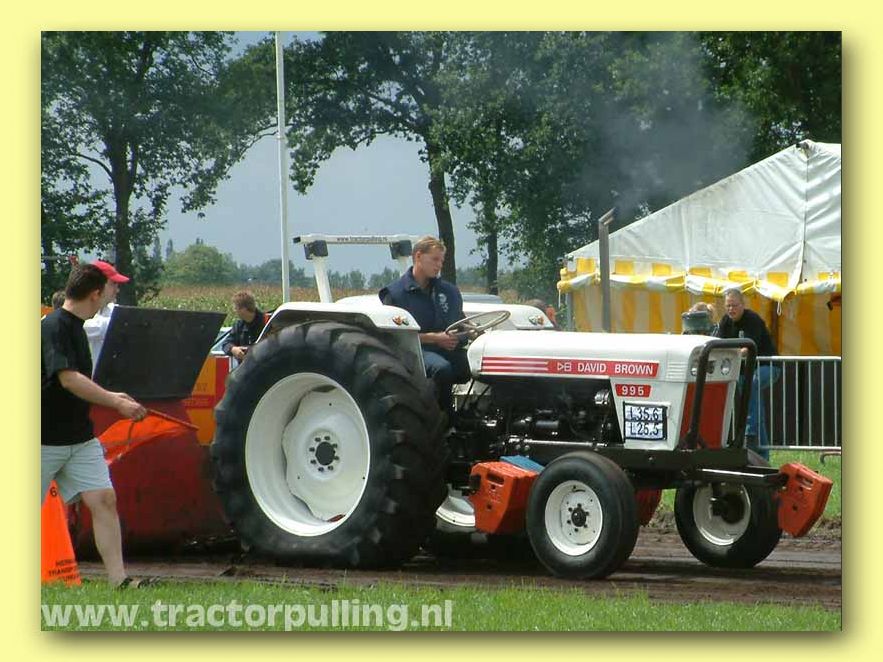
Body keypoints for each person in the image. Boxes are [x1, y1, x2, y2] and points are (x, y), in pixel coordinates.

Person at [41, 264, 149, 587]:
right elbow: (69, 379)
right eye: (112, 287)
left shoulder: (77, 327)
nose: (115, 293)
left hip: (79, 438)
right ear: (95, 293)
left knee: (104, 499)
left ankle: (119, 580)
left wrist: (113, 395)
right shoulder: (54, 326)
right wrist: (115, 401)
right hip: (42, 439)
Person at [379, 236, 468, 416]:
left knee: (478, 364)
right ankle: (444, 417)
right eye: (435, 259)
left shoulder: (449, 292)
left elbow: (461, 323)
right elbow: (394, 337)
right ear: (418, 256)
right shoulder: (395, 294)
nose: (439, 265)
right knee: (441, 369)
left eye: (441, 261)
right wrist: (435, 339)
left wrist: (460, 336)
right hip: (414, 351)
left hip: (446, 349)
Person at [714, 288, 779, 460]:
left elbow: (749, 348)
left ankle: (750, 432)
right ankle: (760, 453)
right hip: (744, 372)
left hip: (768, 366)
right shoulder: (725, 321)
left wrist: (732, 353)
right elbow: (718, 345)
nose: (731, 309)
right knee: (750, 394)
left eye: (734, 305)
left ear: (743, 304)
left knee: (753, 383)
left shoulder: (753, 320)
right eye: (728, 306)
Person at [83, 259, 129, 372]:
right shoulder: (78, 316)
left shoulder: (114, 311)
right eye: (113, 284)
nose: (117, 290)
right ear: (97, 285)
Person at [221, 291, 266, 362]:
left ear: (243, 309)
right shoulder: (239, 325)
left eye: (235, 308)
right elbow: (226, 343)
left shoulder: (267, 322)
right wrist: (233, 349)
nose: (234, 311)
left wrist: (249, 350)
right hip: (245, 367)